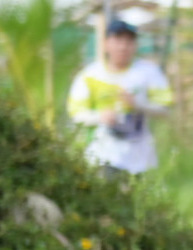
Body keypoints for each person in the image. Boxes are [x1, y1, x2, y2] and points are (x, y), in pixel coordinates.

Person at [67, 19, 172, 177]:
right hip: (102, 157)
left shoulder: (149, 72)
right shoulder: (89, 76)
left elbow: (166, 110)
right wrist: (100, 117)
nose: (123, 46)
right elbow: (76, 114)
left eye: (129, 41)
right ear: (106, 43)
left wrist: (138, 105)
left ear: (136, 45)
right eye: (118, 40)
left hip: (140, 161)